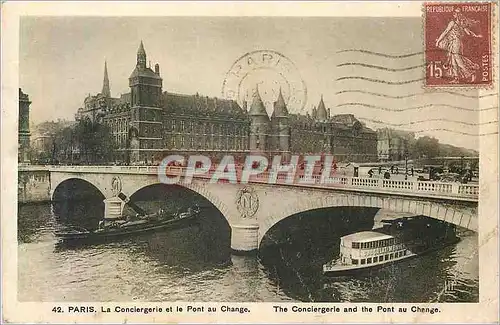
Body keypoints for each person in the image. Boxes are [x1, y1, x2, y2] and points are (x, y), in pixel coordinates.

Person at [435, 8, 482, 83]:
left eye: (456, 13)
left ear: (456, 15)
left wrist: (438, 41)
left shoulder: (452, 23)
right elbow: (468, 32)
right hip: (457, 43)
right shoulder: (462, 24)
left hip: (455, 43)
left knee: (458, 59)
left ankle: (471, 73)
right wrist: (476, 35)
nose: (455, 14)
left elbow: (446, 31)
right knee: (453, 60)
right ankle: (456, 78)